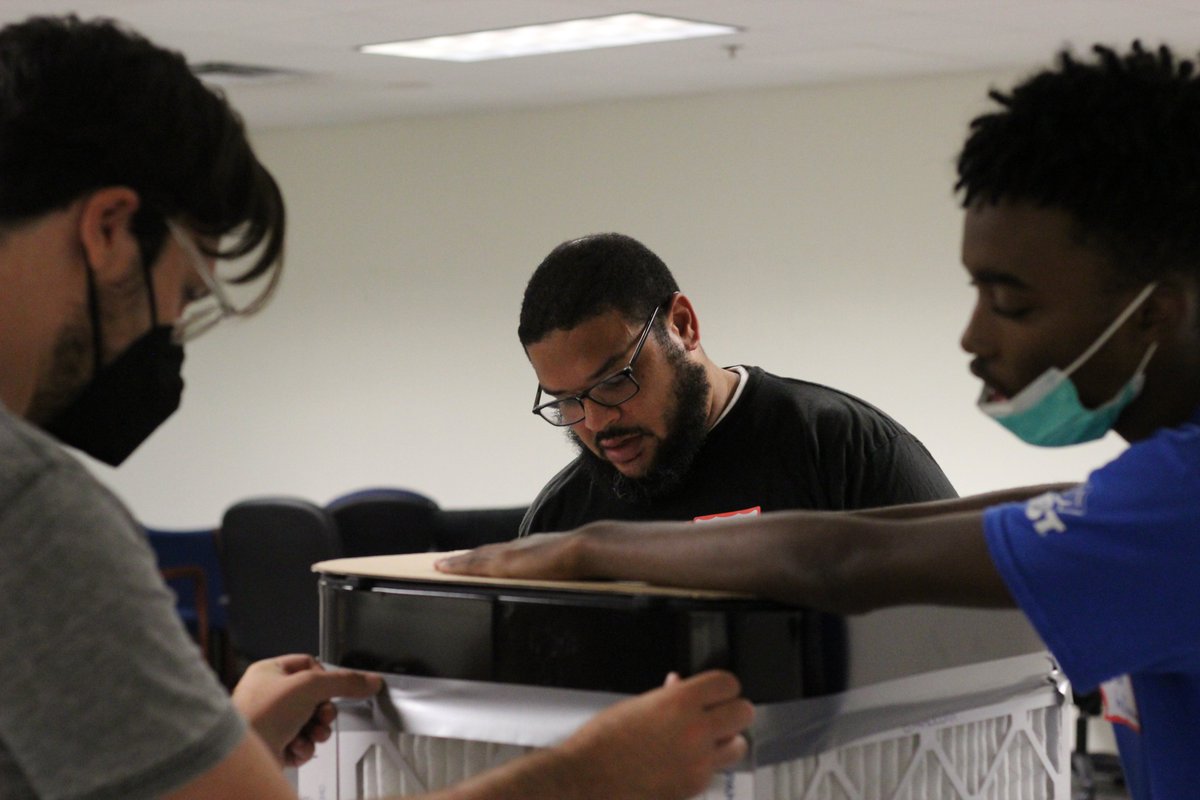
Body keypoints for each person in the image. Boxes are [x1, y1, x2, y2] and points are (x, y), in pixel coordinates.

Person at [0, 14, 752, 800]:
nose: (170, 335)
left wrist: (221, 751)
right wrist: (598, 771)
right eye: (185, 296)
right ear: (110, 230)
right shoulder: (31, 513)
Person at [441, 42, 1200, 800]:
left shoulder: (1175, 504)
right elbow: (1021, 514)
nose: (974, 336)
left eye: (1011, 303)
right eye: (569, 403)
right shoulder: (1151, 496)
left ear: (1154, 311)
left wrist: (593, 550)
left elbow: (850, 560)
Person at [516, 233, 958, 692]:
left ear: (683, 326)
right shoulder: (560, 518)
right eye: (567, 401)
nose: (596, 422)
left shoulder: (845, 451)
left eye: (614, 381)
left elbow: (963, 644)